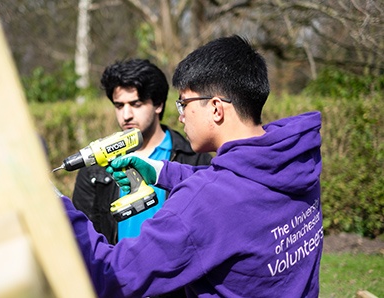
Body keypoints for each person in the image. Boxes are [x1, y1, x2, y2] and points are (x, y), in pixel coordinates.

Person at [62, 35, 323, 298]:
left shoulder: (204, 202)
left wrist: (56, 208)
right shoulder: (295, 160)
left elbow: (114, 274)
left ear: (216, 108)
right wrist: (164, 172)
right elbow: (237, 183)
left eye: (184, 104)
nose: (180, 116)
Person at [72, 58, 212, 245]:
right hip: (117, 271)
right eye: (119, 105)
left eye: (136, 104)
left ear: (158, 105)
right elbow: (84, 236)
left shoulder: (194, 158)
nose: (126, 115)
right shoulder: (95, 168)